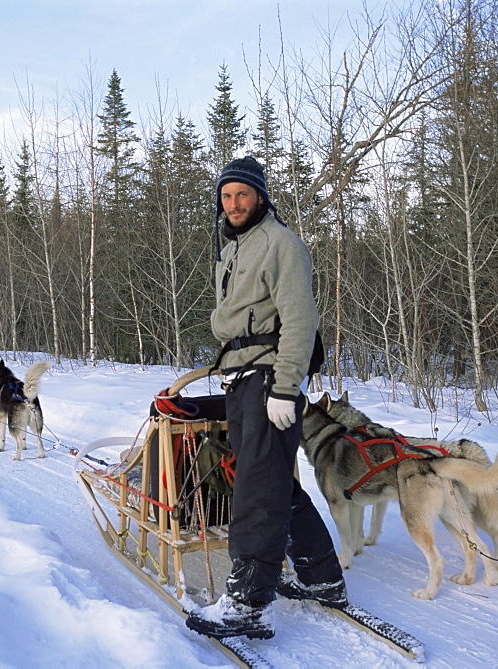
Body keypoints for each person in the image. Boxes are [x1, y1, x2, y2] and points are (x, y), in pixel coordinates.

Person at [185, 156, 348, 640]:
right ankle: (323, 578)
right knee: (271, 479)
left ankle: (250, 604)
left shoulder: (281, 244)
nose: (233, 204)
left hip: (268, 378)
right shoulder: (233, 248)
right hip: (240, 377)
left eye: (243, 194)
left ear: (260, 196)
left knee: (257, 491)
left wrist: (285, 386)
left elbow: (301, 320)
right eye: (227, 195)